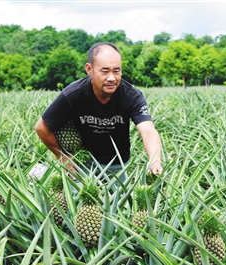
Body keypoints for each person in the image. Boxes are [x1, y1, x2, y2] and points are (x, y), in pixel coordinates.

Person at [35, 42, 163, 184]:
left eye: (116, 70)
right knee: (79, 204)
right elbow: (41, 127)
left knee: (119, 205)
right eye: (105, 71)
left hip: (117, 164)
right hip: (83, 162)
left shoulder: (131, 95)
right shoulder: (73, 94)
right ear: (89, 69)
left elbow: (148, 131)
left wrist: (155, 160)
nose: (111, 78)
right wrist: (62, 156)